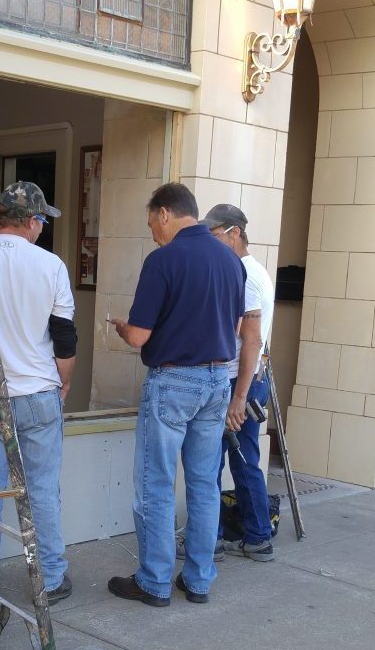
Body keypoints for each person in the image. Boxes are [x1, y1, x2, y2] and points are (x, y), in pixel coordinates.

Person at [107, 183, 245, 606]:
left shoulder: (163, 260)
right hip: (217, 379)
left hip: (173, 382)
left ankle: (153, 581)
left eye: (152, 223)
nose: (153, 233)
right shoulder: (231, 260)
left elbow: (140, 335)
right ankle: (199, 579)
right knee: (205, 484)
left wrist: (121, 327)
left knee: (156, 484)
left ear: (165, 213)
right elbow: (235, 327)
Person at [0, 180, 77, 605]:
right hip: (40, 393)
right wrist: (66, 383)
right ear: (32, 220)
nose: (42, 228)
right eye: (42, 220)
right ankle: (52, 578)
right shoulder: (51, 265)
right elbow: (64, 339)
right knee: (41, 490)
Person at [207, 203, 275, 561]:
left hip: (240, 380)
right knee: (239, 457)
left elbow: (249, 339)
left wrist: (239, 398)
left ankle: (217, 537)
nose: (210, 240)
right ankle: (255, 536)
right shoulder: (249, 270)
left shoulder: (245, 274)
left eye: (214, 234)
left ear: (234, 233)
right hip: (246, 379)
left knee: (228, 459)